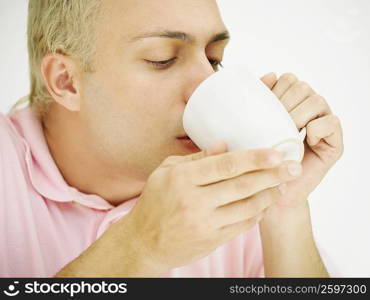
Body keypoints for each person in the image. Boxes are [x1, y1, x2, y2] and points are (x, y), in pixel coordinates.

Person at [0, 0, 343, 277]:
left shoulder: (232, 181)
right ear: (66, 81)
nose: (205, 82)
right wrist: (137, 248)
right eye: (161, 59)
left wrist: (283, 206)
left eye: (214, 60)